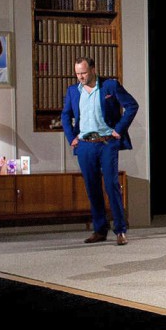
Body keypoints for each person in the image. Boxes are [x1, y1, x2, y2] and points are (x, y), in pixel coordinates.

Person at [61, 57, 138, 246]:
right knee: (92, 187)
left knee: (111, 185)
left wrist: (119, 129)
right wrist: (71, 138)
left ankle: (120, 230)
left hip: (106, 143)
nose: (80, 77)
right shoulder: (73, 91)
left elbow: (131, 106)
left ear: (93, 70)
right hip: (85, 145)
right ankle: (100, 229)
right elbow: (65, 115)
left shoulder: (109, 86)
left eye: (84, 73)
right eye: (77, 73)